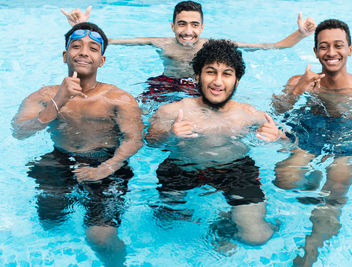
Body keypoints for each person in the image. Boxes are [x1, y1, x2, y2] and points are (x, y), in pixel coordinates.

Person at [12, 22, 144, 266]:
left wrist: (107, 167)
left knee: (100, 239)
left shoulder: (119, 98)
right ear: (65, 56)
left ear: (101, 60)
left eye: (93, 48)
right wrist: (57, 101)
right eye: (76, 46)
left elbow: (134, 139)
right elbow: (19, 132)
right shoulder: (44, 96)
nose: (83, 52)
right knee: (51, 222)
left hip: (106, 162)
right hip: (59, 159)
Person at [146, 39, 288, 246]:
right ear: (197, 76)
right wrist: (170, 133)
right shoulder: (172, 111)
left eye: (227, 74)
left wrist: (278, 137)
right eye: (211, 72)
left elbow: (290, 144)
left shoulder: (248, 114)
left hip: (234, 169)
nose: (218, 82)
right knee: (165, 221)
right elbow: (151, 142)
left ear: (237, 80)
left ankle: (224, 222)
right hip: (182, 166)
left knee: (256, 236)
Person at [271, 19, 352, 266]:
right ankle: (311, 186)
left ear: (350, 49)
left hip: (351, 138)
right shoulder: (300, 81)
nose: (331, 53)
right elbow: (279, 111)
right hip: (312, 131)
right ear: (315, 52)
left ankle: (312, 245)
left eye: (338, 45)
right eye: (324, 46)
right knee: (284, 177)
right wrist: (300, 89)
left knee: (335, 188)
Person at [61, 1, 316, 102]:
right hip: (166, 83)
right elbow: (109, 41)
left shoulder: (212, 46)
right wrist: (80, 28)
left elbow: (271, 47)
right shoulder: (160, 42)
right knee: (138, 108)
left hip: (199, 86)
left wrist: (301, 34)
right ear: (173, 26)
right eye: (182, 24)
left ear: (202, 27)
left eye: (194, 25)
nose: (187, 31)